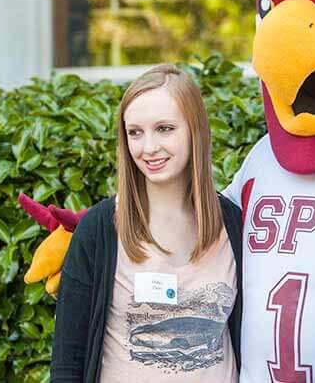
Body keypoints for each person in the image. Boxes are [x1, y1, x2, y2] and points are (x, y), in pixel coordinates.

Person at [50, 65, 243, 382]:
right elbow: (67, 363)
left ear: (195, 130)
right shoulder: (100, 231)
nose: (148, 147)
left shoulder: (232, 226)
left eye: (165, 128)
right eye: (135, 132)